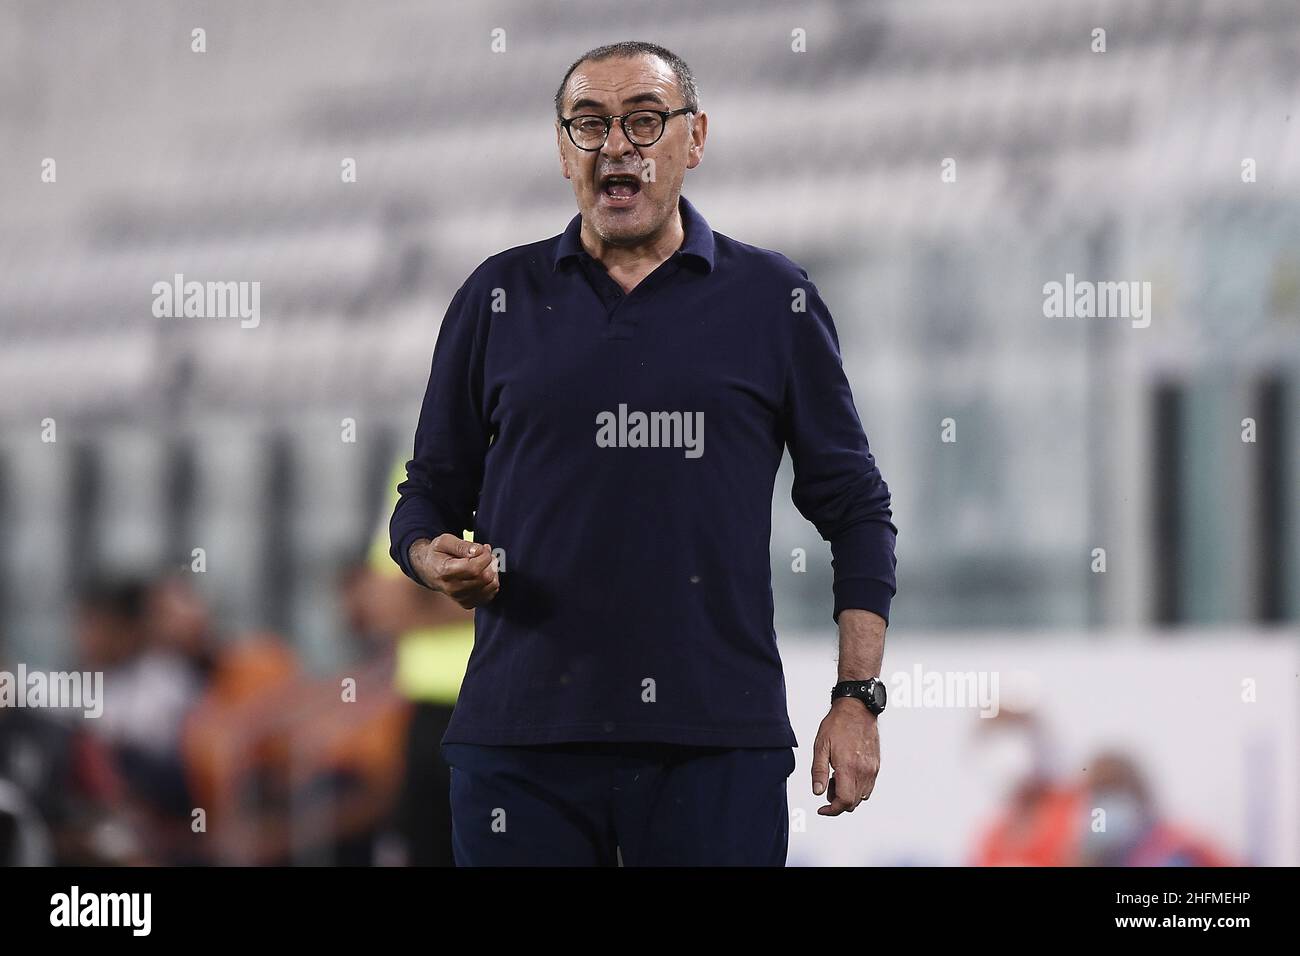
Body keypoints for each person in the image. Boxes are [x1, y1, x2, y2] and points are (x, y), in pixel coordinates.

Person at [389, 41, 898, 866]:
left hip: (715, 741)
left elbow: (856, 508)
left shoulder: (774, 300)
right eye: (589, 124)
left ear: (694, 140)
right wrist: (428, 556)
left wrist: (857, 697)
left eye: (644, 120)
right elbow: (429, 494)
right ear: (562, 150)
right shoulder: (495, 296)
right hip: (521, 744)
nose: (616, 145)